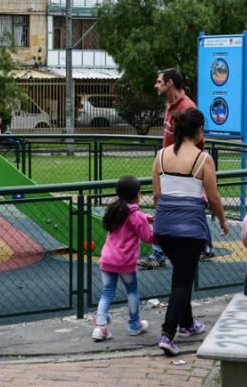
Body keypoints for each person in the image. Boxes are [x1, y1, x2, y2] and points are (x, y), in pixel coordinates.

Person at [151, 108, 229, 356]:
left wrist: (165, 215)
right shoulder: (203, 159)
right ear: (197, 130)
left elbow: (156, 195)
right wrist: (223, 221)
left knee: (181, 275)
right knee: (182, 281)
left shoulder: (161, 155)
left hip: (164, 227)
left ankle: (187, 324)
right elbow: (214, 197)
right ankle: (167, 333)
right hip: (190, 229)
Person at [141, 68, 208, 270]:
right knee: (181, 205)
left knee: (166, 205)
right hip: (168, 164)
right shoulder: (170, 105)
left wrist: (187, 165)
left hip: (181, 170)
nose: (156, 85)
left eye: (160, 81)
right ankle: (202, 246)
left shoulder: (187, 108)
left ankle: (159, 254)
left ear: (170, 83)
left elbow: (198, 140)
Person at [92, 175, 156, 341]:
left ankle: (100, 327)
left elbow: (130, 221)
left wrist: (145, 218)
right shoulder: (136, 215)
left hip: (107, 260)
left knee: (106, 293)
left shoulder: (114, 210)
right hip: (125, 262)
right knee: (132, 292)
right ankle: (134, 325)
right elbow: (148, 237)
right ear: (138, 194)